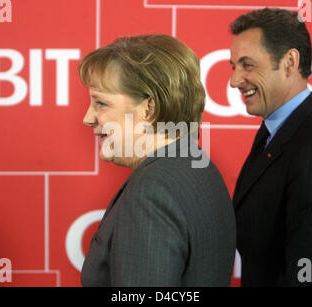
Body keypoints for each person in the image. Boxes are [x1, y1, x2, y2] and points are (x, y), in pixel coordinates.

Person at [79, 34, 236, 286]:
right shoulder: (197, 163)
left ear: (149, 109)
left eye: (101, 103)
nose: (88, 118)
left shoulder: (152, 192)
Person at [229, 8, 312, 286]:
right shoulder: (276, 131)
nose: (234, 81)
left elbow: (306, 271)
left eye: (248, 65)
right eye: (234, 66)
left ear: (290, 62)